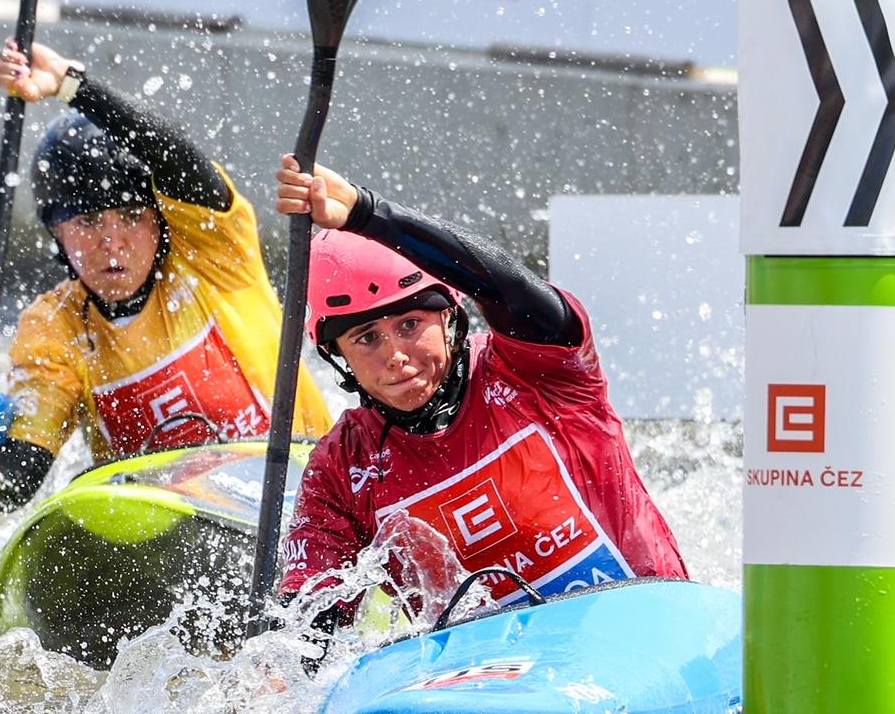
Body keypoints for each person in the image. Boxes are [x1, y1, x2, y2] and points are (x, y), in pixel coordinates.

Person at [273, 155, 687, 635]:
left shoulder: (537, 369)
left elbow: (507, 286)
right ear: (337, 355)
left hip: (648, 635)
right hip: (497, 687)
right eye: (367, 338)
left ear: (450, 316)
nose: (396, 356)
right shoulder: (340, 469)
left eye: (410, 325)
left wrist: (367, 213)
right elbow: (310, 623)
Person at [0, 42, 332, 509]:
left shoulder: (214, 258)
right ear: (56, 234)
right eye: (87, 223)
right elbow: (24, 474)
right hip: (166, 530)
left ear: (160, 222)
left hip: (307, 498)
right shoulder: (54, 326)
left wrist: (72, 86)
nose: (112, 242)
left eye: (130, 217)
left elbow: (177, 160)